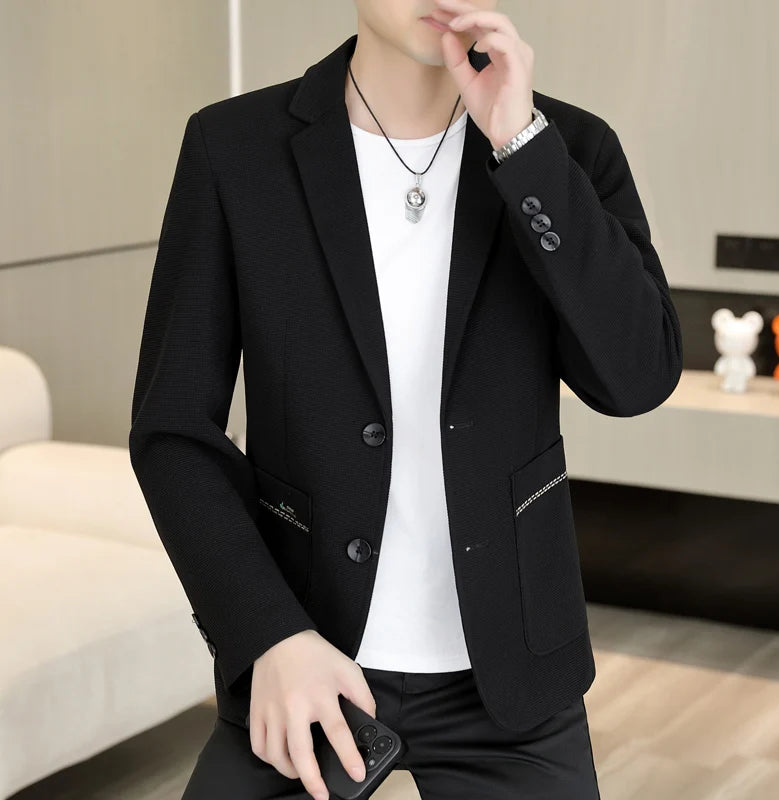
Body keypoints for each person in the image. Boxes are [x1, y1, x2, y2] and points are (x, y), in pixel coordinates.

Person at [129, 0, 683, 798]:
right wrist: (269, 635)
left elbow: (637, 377)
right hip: (305, 662)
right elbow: (173, 430)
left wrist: (520, 147)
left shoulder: (566, 147)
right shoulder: (234, 147)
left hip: (511, 679)